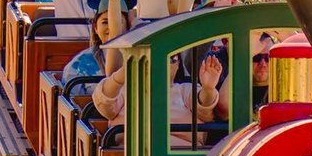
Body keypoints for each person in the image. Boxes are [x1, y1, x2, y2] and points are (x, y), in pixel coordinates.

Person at [93, 54, 223, 148]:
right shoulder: (126, 90)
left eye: (171, 59)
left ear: (177, 66)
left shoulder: (185, 90)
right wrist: (120, 76)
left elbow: (204, 106)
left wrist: (208, 88)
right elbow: (105, 104)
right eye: (151, 57)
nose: (162, 63)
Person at [61, 0, 131, 94]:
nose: (111, 27)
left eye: (118, 22)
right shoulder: (77, 68)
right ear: (95, 27)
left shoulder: (138, 60)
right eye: (105, 22)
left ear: (128, 26)